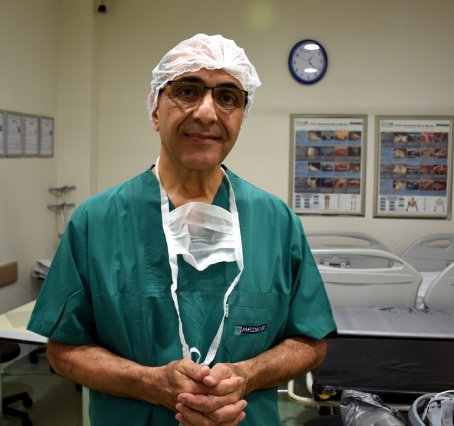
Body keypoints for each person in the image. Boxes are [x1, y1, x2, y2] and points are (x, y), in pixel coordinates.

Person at [27, 33, 336, 426]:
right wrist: (149, 383)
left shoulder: (277, 223)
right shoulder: (96, 223)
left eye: (228, 97)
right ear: (155, 110)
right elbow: (63, 350)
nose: (207, 113)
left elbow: (311, 341)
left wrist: (246, 375)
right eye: (188, 91)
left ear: (241, 117)